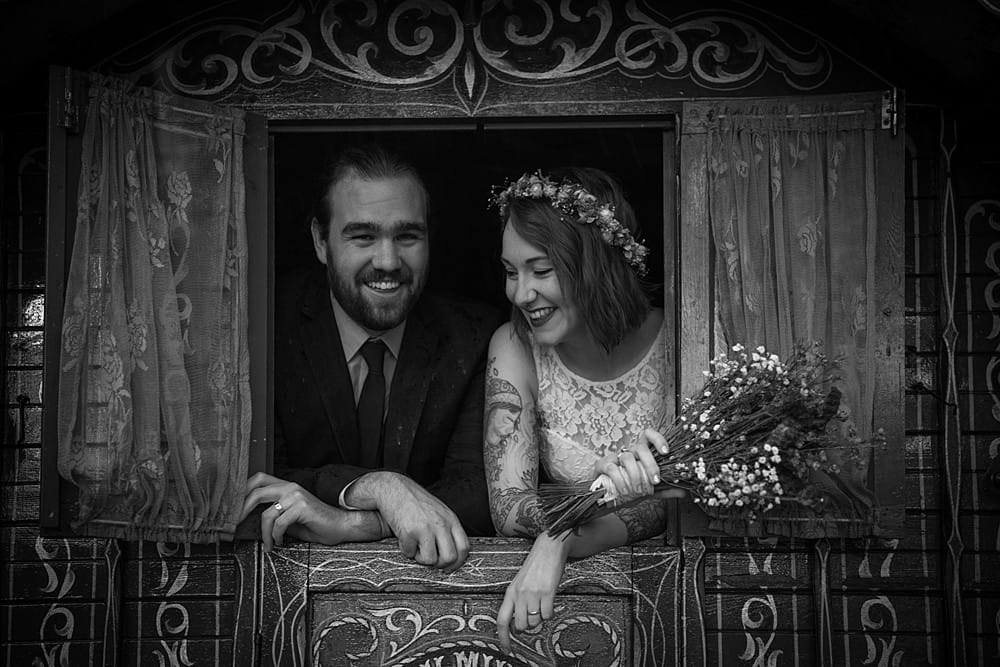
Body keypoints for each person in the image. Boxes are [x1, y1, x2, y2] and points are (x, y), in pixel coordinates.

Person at [241, 143, 504, 573]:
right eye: (363, 236)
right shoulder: (263, 328)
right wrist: (380, 487)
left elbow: (480, 493)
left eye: (407, 236)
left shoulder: (474, 335)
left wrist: (354, 523)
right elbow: (258, 477)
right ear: (320, 241)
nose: (387, 261)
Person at [484, 168, 684, 650]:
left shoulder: (682, 339)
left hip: (674, 606)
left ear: (594, 263)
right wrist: (581, 512)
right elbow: (507, 507)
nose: (521, 293)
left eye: (541, 271)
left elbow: (682, 502)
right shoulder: (514, 346)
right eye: (511, 272)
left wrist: (558, 538)